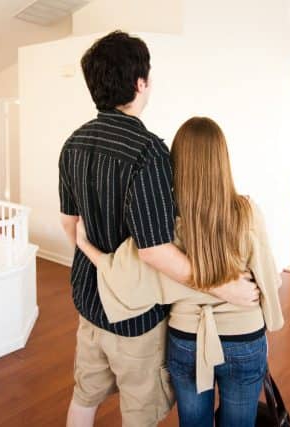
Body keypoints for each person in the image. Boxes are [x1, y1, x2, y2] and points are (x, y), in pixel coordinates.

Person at [58, 31, 259, 427]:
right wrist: (224, 287)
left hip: (88, 303)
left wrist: (96, 260)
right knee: (141, 414)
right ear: (140, 83)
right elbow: (153, 251)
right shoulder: (148, 152)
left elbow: (71, 223)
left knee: (83, 398)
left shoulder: (73, 143)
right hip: (134, 318)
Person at [74, 116, 285, 427]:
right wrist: (263, 315)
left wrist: (84, 244)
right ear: (222, 160)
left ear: (176, 163)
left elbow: (120, 272)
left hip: (186, 340)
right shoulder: (247, 211)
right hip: (244, 338)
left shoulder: (164, 223)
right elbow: (269, 279)